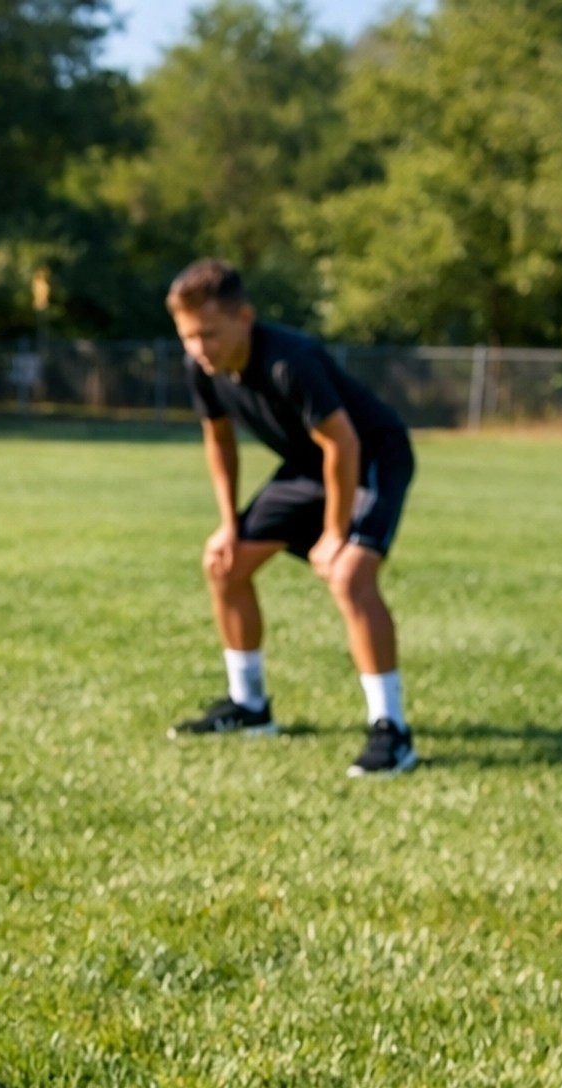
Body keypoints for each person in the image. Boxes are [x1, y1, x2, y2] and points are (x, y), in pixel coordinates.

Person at [164, 258, 418, 778]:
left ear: (244, 317)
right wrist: (228, 524)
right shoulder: (202, 367)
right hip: (307, 467)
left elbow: (343, 443)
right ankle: (250, 706)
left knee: (349, 575)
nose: (198, 348)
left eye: (209, 334)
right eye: (188, 336)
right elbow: (219, 440)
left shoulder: (290, 359)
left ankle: (391, 730)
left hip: (370, 457)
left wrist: (334, 533)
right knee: (224, 564)